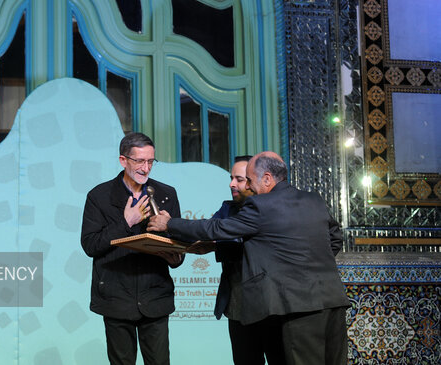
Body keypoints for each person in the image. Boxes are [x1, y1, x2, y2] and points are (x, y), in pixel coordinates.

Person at [148, 151, 350, 365]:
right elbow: (335, 238)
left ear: (267, 178)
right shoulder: (313, 200)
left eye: (250, 181)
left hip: (299, 306)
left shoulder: (261, 205)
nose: (249, 188)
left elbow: (216, 228)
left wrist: (170, 224)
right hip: (333, 301)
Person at [81, 132, 183, 365]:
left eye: (150, 161)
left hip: (155, 296)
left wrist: (169, 231)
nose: (146, 168)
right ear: (123, 160)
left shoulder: (166, 194)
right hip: (116, 297)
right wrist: (126, 222)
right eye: (139, 161)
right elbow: (90, 245)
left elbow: (177, 254)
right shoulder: (99, 196)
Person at [188, 155, 285, 365]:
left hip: (272, 307)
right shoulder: (227, 209)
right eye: (232, 178)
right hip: (238, 307)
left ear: (254, 181)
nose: (232, 184)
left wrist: (220, 245)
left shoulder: (274, 209)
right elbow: (205, 231)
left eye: (240, 179)